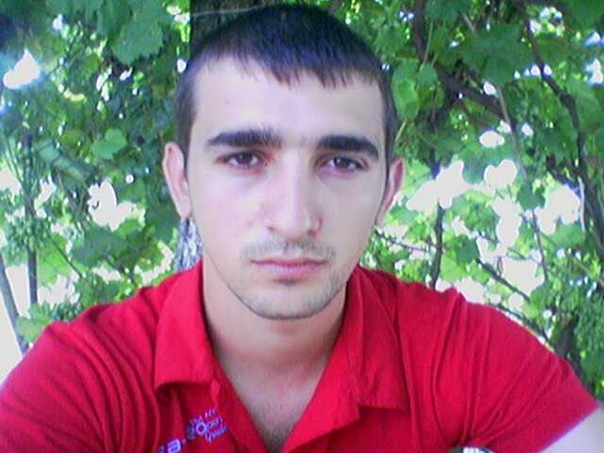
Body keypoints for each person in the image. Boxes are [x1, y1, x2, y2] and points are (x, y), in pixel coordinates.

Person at [0, 4, 601, 452]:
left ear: (388, 191)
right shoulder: (87, 379)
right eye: (244, 158)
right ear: (180, 181)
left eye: (341, 162)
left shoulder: (453, 348)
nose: (293, 218)